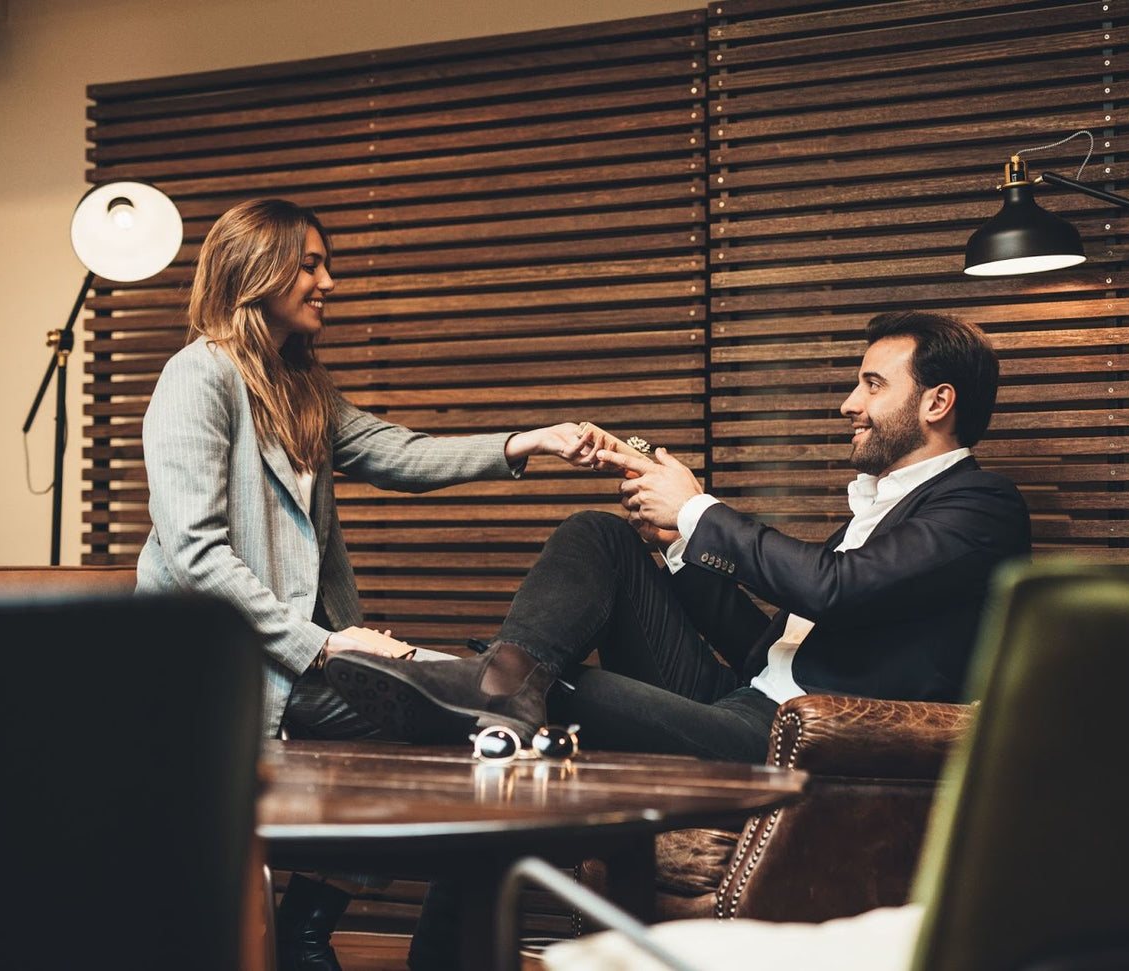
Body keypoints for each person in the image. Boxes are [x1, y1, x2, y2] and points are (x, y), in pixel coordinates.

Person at [134, 198, 608, 971]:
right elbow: (195, 554)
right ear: (258, 269)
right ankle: (314, 936)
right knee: (462, 722)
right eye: (310, 263)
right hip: (227, 668)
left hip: (305, 655)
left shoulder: (302, 387)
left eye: (327, 262)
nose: (329, 280)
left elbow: (403, 454)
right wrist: (322, 645)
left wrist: (533, 440)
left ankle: (310, 929)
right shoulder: (198, 376)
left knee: (470, 727)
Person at [324, 311, 1032, 765]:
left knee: (547, 695)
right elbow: (761, 639)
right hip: (744, 696)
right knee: (597, 536)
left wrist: (698, 510)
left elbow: (834, 588)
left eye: (872, 384)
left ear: (937, 402)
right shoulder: (872, 511)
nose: (850, 403)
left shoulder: (981, 509)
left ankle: (463, 681)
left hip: (799, 738)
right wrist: (671, 538)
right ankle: (498, 687)